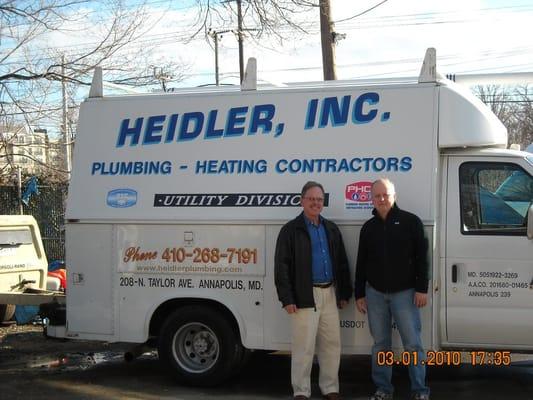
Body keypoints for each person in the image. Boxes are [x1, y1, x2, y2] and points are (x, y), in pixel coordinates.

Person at [275, 181, 352, 400]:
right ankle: (301, 391)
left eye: (319, 199)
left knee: (331, 344)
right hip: (304, 295)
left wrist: (344, 293)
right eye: (311, 199)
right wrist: (287, 298)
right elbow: (281, 266)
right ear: (302, 200)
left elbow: (342, 262)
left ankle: (330, 388)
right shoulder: (291, 230)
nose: (316, 203)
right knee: (304, 347)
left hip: (329, 294)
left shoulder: (331, 228)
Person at [354, 178, 430, 400]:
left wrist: (421, 288)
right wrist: (359, 293)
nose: (381, 199)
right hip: (375, 294)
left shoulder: (411, 222)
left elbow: (422, 258)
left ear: (394, 196)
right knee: (381, 346)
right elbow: (361, 263)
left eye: (385, 194)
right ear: (371, 198)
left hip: (405, 294)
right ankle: (384, 389)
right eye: (377, 195)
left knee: (413, 344)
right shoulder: (368, 228)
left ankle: (420, 390)